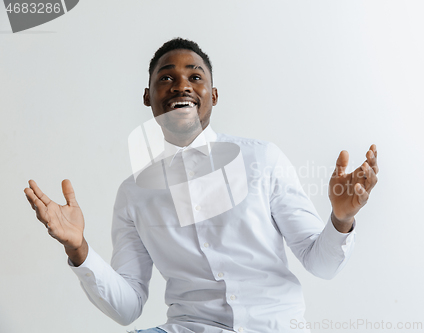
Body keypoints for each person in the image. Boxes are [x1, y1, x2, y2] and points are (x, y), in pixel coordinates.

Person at [24, 38, 379, 333]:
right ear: (148, 96)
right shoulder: (134, 195)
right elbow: (128, 307)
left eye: (195, 77)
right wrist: (79, 248)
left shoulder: (262, 160)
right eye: (166, 78)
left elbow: (322, 265)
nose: (181, 85)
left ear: (214, 95)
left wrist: (340, 220)